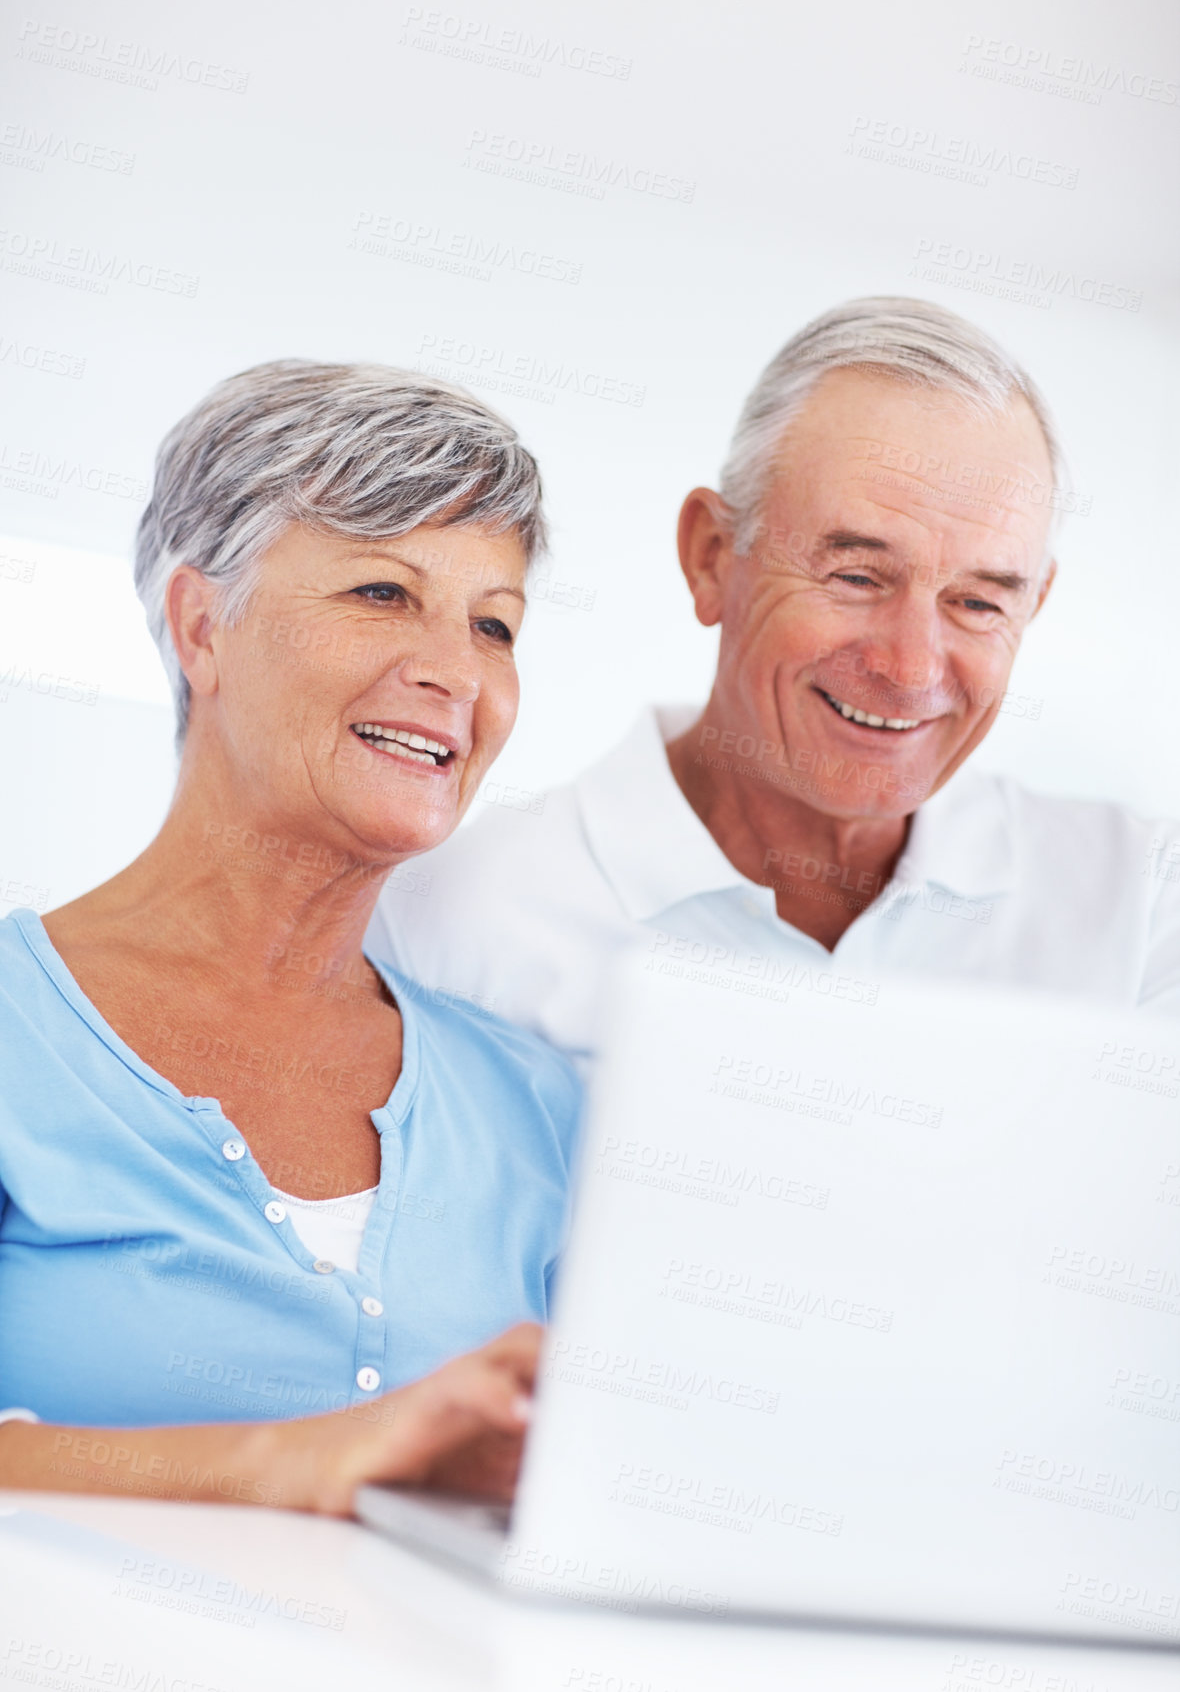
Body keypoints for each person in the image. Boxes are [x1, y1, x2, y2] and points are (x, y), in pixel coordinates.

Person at [0, 360, 579, 1514]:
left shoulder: (537, 1102)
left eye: (494, 624)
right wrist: (300, 1458)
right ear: (202, 624)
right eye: (380, 592)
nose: (454, 671)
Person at [369, 297, 1180, 1069]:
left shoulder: (1140, 907)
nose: (911, 667)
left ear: (1033, 606)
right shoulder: (450, 921)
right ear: (713, 556)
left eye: (976, 602)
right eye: (857, 576)